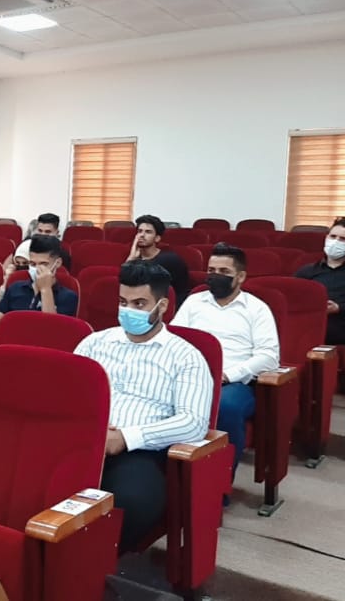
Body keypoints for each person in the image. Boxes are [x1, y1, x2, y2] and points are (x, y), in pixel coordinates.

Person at [74, 261, 212, 552]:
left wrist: (126, 437)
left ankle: (88, 565)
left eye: (139, 304)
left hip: (139, 452)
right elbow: (67, 393)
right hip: (82, 441)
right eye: (123, 302)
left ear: (162, 306)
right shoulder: (93, 343)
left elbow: (193, 422)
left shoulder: (186, 357)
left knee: (133, 501)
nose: (128, 310)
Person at [172, 243, 279, 481]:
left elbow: (269, 356)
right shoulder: (194, 302)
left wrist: (228, 375)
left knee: (226, 408)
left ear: (240, 277)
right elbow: (176, 339)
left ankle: (218, 484)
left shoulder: (257, 309)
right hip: (192, 375)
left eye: (224, 272)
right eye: (211, 270)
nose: (215, 276)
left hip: (234, 382)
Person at [0, 235, 78, 346]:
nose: (37, 269)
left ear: (57, 263)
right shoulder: (15, 288)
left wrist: (45, 289)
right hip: (10, 346)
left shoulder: (68, 297)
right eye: (32, 264)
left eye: (43, 264)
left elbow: (52, 332)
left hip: (41, 350)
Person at [295, 217, 345, 347]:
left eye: (342, 239)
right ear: (326, 238)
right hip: (307, 328)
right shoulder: (305, 271)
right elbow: (292, 301)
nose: (335, 242)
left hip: (339, 331)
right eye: (333, 236)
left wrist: (339, 308)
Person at [126, 215, 189, 308]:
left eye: (148, 232)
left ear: (157, 238)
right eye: (140, 231)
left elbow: (181, 292)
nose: (142, 235)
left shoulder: (170, 260)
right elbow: (123, 285)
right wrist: (130, 259)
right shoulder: (133, 259)